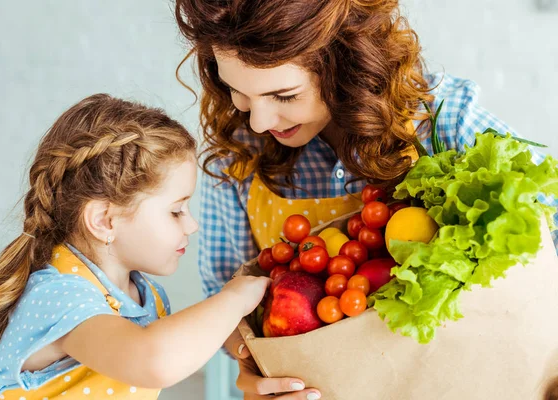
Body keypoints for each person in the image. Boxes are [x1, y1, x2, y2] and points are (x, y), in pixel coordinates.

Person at [174, 0, 558, 398]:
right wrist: (248, 365)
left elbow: (549, 227)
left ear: (345, 59)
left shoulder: (443, 119)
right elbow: (227, 307)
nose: (257, 121)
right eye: (237, 91)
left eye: (284, 96)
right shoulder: (239, 153)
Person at [0, 94, 270, 400]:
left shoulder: (146, 296)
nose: (192, 225)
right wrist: (232, 300)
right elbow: (153, 362)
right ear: (105, 220)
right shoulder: (59, 295)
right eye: (176, 211)